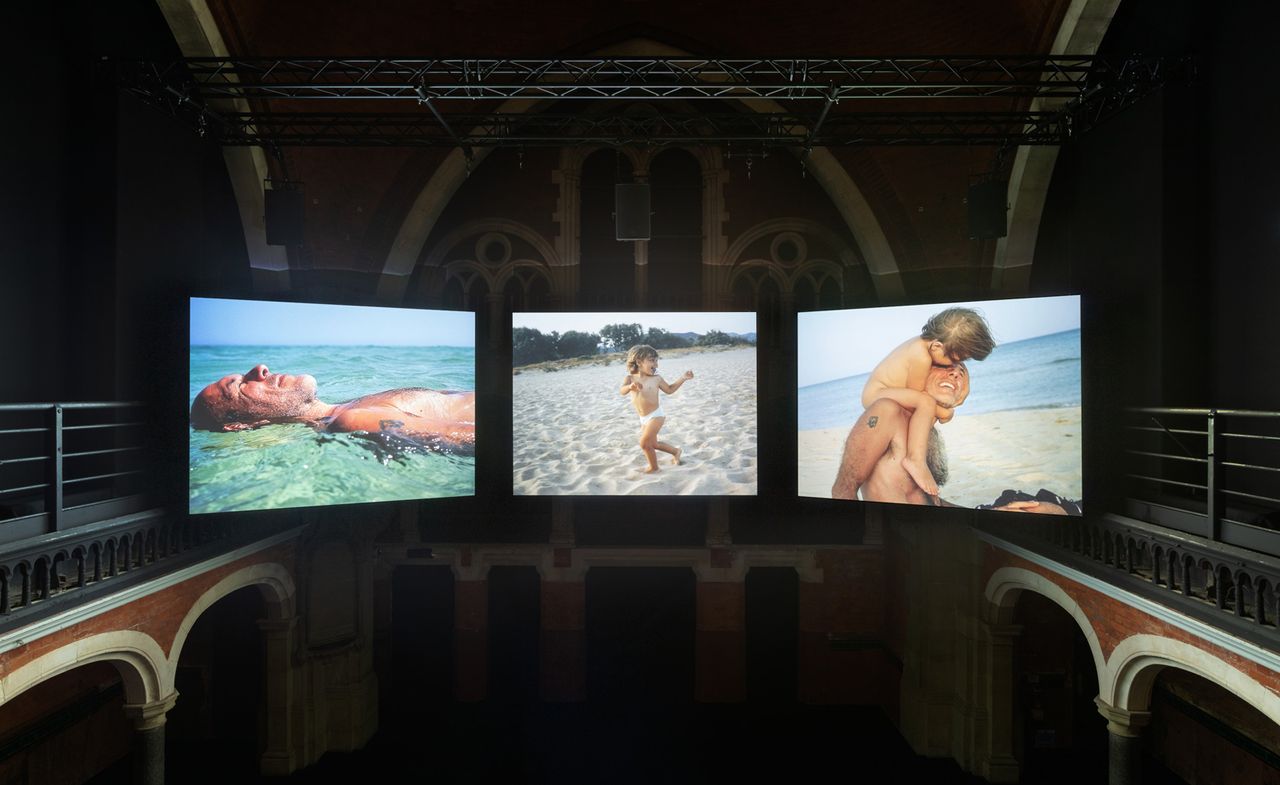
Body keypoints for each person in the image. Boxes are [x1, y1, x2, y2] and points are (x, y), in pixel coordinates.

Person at [832, 362, 1077, 515]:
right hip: (904, 545)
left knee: (1045, 508)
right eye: (946, 367)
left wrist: (993, 514)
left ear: (961, 397)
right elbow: (843, 490)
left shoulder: (927, 435)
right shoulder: (887, 412)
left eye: (962, 373)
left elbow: (931, 503)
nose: (955, 374)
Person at [861, 307, 996, 499]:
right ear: (937, 347)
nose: (952, 365)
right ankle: (915, 459)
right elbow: (917, 396)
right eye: (954, 359)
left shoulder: (927, 344)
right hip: (877, 394)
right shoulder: (921, 357)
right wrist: (943, 412)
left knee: (926, 403)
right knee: (924, 402)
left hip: (884, 391)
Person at [190, 363, 475, 453]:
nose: (260, 368)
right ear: (239, 424)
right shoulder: (351, 420)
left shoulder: (349, 405)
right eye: (240, 385)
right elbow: (469, 435)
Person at [619, 345, 693, 474]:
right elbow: (622, 391)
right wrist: (630, 387)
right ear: (639, 362)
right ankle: (676, 452)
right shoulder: (630, 378)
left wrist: (683, 378)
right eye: (652, 360)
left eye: (657, 361)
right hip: (643, 419)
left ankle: (654, 467)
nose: (656, 364)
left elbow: (670, 389)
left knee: (644, 443)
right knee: (653, 444)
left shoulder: (656, 379)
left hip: (656, 415)